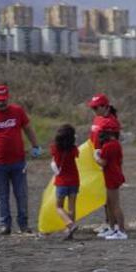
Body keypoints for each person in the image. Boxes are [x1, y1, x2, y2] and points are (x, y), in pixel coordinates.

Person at [0, 84, 42, 235]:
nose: (1, 103)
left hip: (18, 162)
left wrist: (35, 145)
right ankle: (5, 225)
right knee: (1, 196)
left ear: (8, 98)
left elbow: (28, 128)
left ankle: (23, 224)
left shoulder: (17, 111)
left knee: (21, 194)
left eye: (3, 100)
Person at [87, 93, 121, 236]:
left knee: (111, 198)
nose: (94, 110)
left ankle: (117, 227)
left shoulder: (111, 122)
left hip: (105, 159)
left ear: (105, 107)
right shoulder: (97, 119)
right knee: (104, 196)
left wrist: (102, 156)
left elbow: (112, 143)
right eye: (93, 108)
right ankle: (109, 225)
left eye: (96, 107)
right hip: (97, 158)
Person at [94, 128, 127, 240]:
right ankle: (112, 228)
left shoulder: (108, 146)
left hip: (111, 177)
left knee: (115, 205)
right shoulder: (116, 144)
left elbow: (103, 162)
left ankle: (121, 231)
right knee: (109, 203)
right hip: (114, 175)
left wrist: (96, 157)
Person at [50, 124, 80, 240]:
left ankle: (70, 225)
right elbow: (77, 155)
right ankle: (69, 233)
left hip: (62, 181)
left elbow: (53, 158)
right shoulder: (74, 149)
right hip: (74, 180)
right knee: (72, 207)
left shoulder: (54, 148)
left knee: (59, 207)